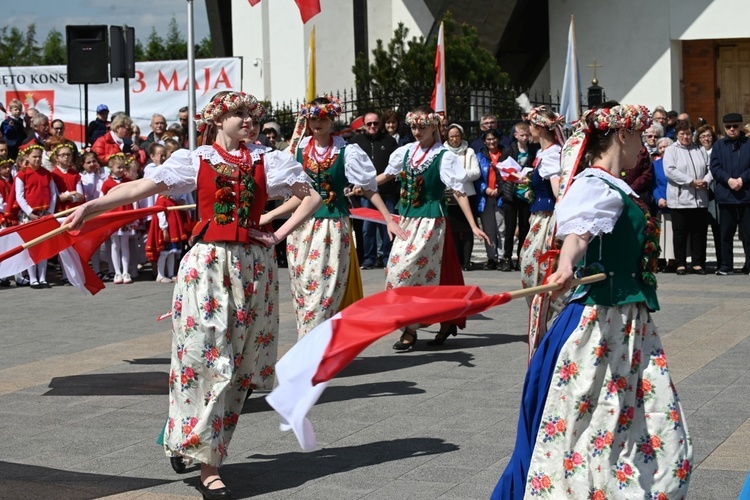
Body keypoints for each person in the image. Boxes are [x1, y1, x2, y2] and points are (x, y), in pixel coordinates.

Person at [66, 90, 321, 499]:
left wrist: (275, 233)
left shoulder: (268, 160)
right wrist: (94, 205)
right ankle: (209, 467)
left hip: (252, 269)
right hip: (206, 267)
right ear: (217, 120)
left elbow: (311, 197)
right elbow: (140, 188)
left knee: (237, 368)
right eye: (238, 114)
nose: (249, 121)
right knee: (204, 358)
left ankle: (187, 434)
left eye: (252, 115)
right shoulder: (196, 159)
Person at [492, 102, 692, 499]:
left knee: (648, 428)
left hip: (629, 325)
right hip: (600, 325)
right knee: (592, 425)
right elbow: (578, 235)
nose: (643, 146)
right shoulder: (595, 184)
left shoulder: (618, 186)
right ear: (622, 135)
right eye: (638, 137)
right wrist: (566, 267)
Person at [264, 97, 404, 340]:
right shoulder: (297, 150)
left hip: (333, 228)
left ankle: (308, 346)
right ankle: (316, 342)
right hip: (301, 229)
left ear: (332, 119)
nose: (317, 122)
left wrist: (387, 218)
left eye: (322, 118)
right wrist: (269, 214)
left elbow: (369, 187)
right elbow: (294, 195)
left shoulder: (346, 150)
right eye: (313, 118)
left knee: (324, 288)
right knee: (303, 287)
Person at [376, 105, 489, 350]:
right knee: (396, 271)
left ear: (434, 126)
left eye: (422, 126)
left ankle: (412, 329)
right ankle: (411, 326)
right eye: (414, 126)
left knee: (409, 272)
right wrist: (360, 185)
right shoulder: (405, 152)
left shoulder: (444, 156)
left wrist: (473, 224)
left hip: (430, 221)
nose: (417, 131)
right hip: (405, 220)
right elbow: (386, 175)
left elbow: (458, 191)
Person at [520, 106, 564, 291]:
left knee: (535, 263)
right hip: (540, 213)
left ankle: (548, 303)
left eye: (530, 124)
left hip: (548, 217)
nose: (528, 129)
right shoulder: (543, 153)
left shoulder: (552, 154)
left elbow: (557, 190)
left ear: (539, 128)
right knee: (529, 260)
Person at [349, 110, 400, 270]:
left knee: (388, 226)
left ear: (380, 124)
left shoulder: (390, 141)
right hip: (364, 193)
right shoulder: (355, 142)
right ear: (363, 125)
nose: (372, 126)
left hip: (387, 192)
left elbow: (395, 168)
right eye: (369, 123)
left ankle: (387, 258)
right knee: (367, 228)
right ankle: (369, 258)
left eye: (375, 123)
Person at [663, 120, 711, 275]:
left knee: (699, 233)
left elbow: (710, 168)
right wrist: (690, 182)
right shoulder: (671, 150)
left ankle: (698, 263)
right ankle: (681, 264)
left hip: (700, 199)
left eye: (688, 133)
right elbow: (670, 171)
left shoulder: (700, 149)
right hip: (680, 199)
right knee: (680, 233)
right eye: (682, 134)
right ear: (677, 135)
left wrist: (706, 180)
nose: (685, 136)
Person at [710, 112, 750, 275]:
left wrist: (742, 179)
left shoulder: (748, 143)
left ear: (741, 126)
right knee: (726, 233)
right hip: (726, 197)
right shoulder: (718, 146)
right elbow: (715, 167)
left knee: (748, 234)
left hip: (746, 195)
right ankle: (726, 266)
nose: (732, 129)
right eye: (728, 127)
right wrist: (729, 180)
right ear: (724, 128)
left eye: (735, 126)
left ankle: (749, 266)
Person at [15, 142, 58, 288]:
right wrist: (29, 212)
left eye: (39, 157)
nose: (37, 160)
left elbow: (53, 194)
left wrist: (50, 212)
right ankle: (33, 277)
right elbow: (19, 196)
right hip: (30, 216)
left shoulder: (47, 174)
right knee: (30, 246)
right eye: (34, 157)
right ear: (27, 157)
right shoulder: (22, 175)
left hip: (44, 214)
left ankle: (42, 276)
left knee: (43, 245)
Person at [443, 123, 481, 271]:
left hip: (467, 194)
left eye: (457, 136)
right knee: (453, 229)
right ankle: (457, 260)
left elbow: (475, 173)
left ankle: (467, 261)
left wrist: (459, 176)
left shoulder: (469, 152)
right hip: (449, 195)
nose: (454, 139)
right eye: (451, 137)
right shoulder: (443, 152)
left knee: (467, 230)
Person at [500, 122, 537, 271]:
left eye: (527, 135)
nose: (525, 138)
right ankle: (506, 258)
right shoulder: (509, 150)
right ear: (515, 135)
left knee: (524, 227)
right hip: (511, 193)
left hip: (525, 194)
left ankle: (521, 257)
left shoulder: (533, 150)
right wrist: (503, 188)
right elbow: (501, 169)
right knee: (509, 228)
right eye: (522, 135)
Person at [475, 129, 506, 270]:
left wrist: (499, 189)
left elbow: (510, 173)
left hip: (501, 195)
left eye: (493, 139)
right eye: (488, 139)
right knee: (489, 229)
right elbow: (477, 177)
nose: (491, 142)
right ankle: (491, 257)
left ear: (498, 139)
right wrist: (485, 188)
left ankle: (502, 257)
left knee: (501, 228)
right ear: (484, 142)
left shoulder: (505, 154)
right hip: (485, 197)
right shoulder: (479, 157)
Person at [696, 124, 721, 269]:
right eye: (703, 136)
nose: (706, 139)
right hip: (700, 189)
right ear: (698, 139)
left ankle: (721, 261)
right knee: (701, 230)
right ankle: (700, 261)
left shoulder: (717, 149)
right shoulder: (696, 151)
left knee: (718, 227)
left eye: (708, 136)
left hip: (715, 189)